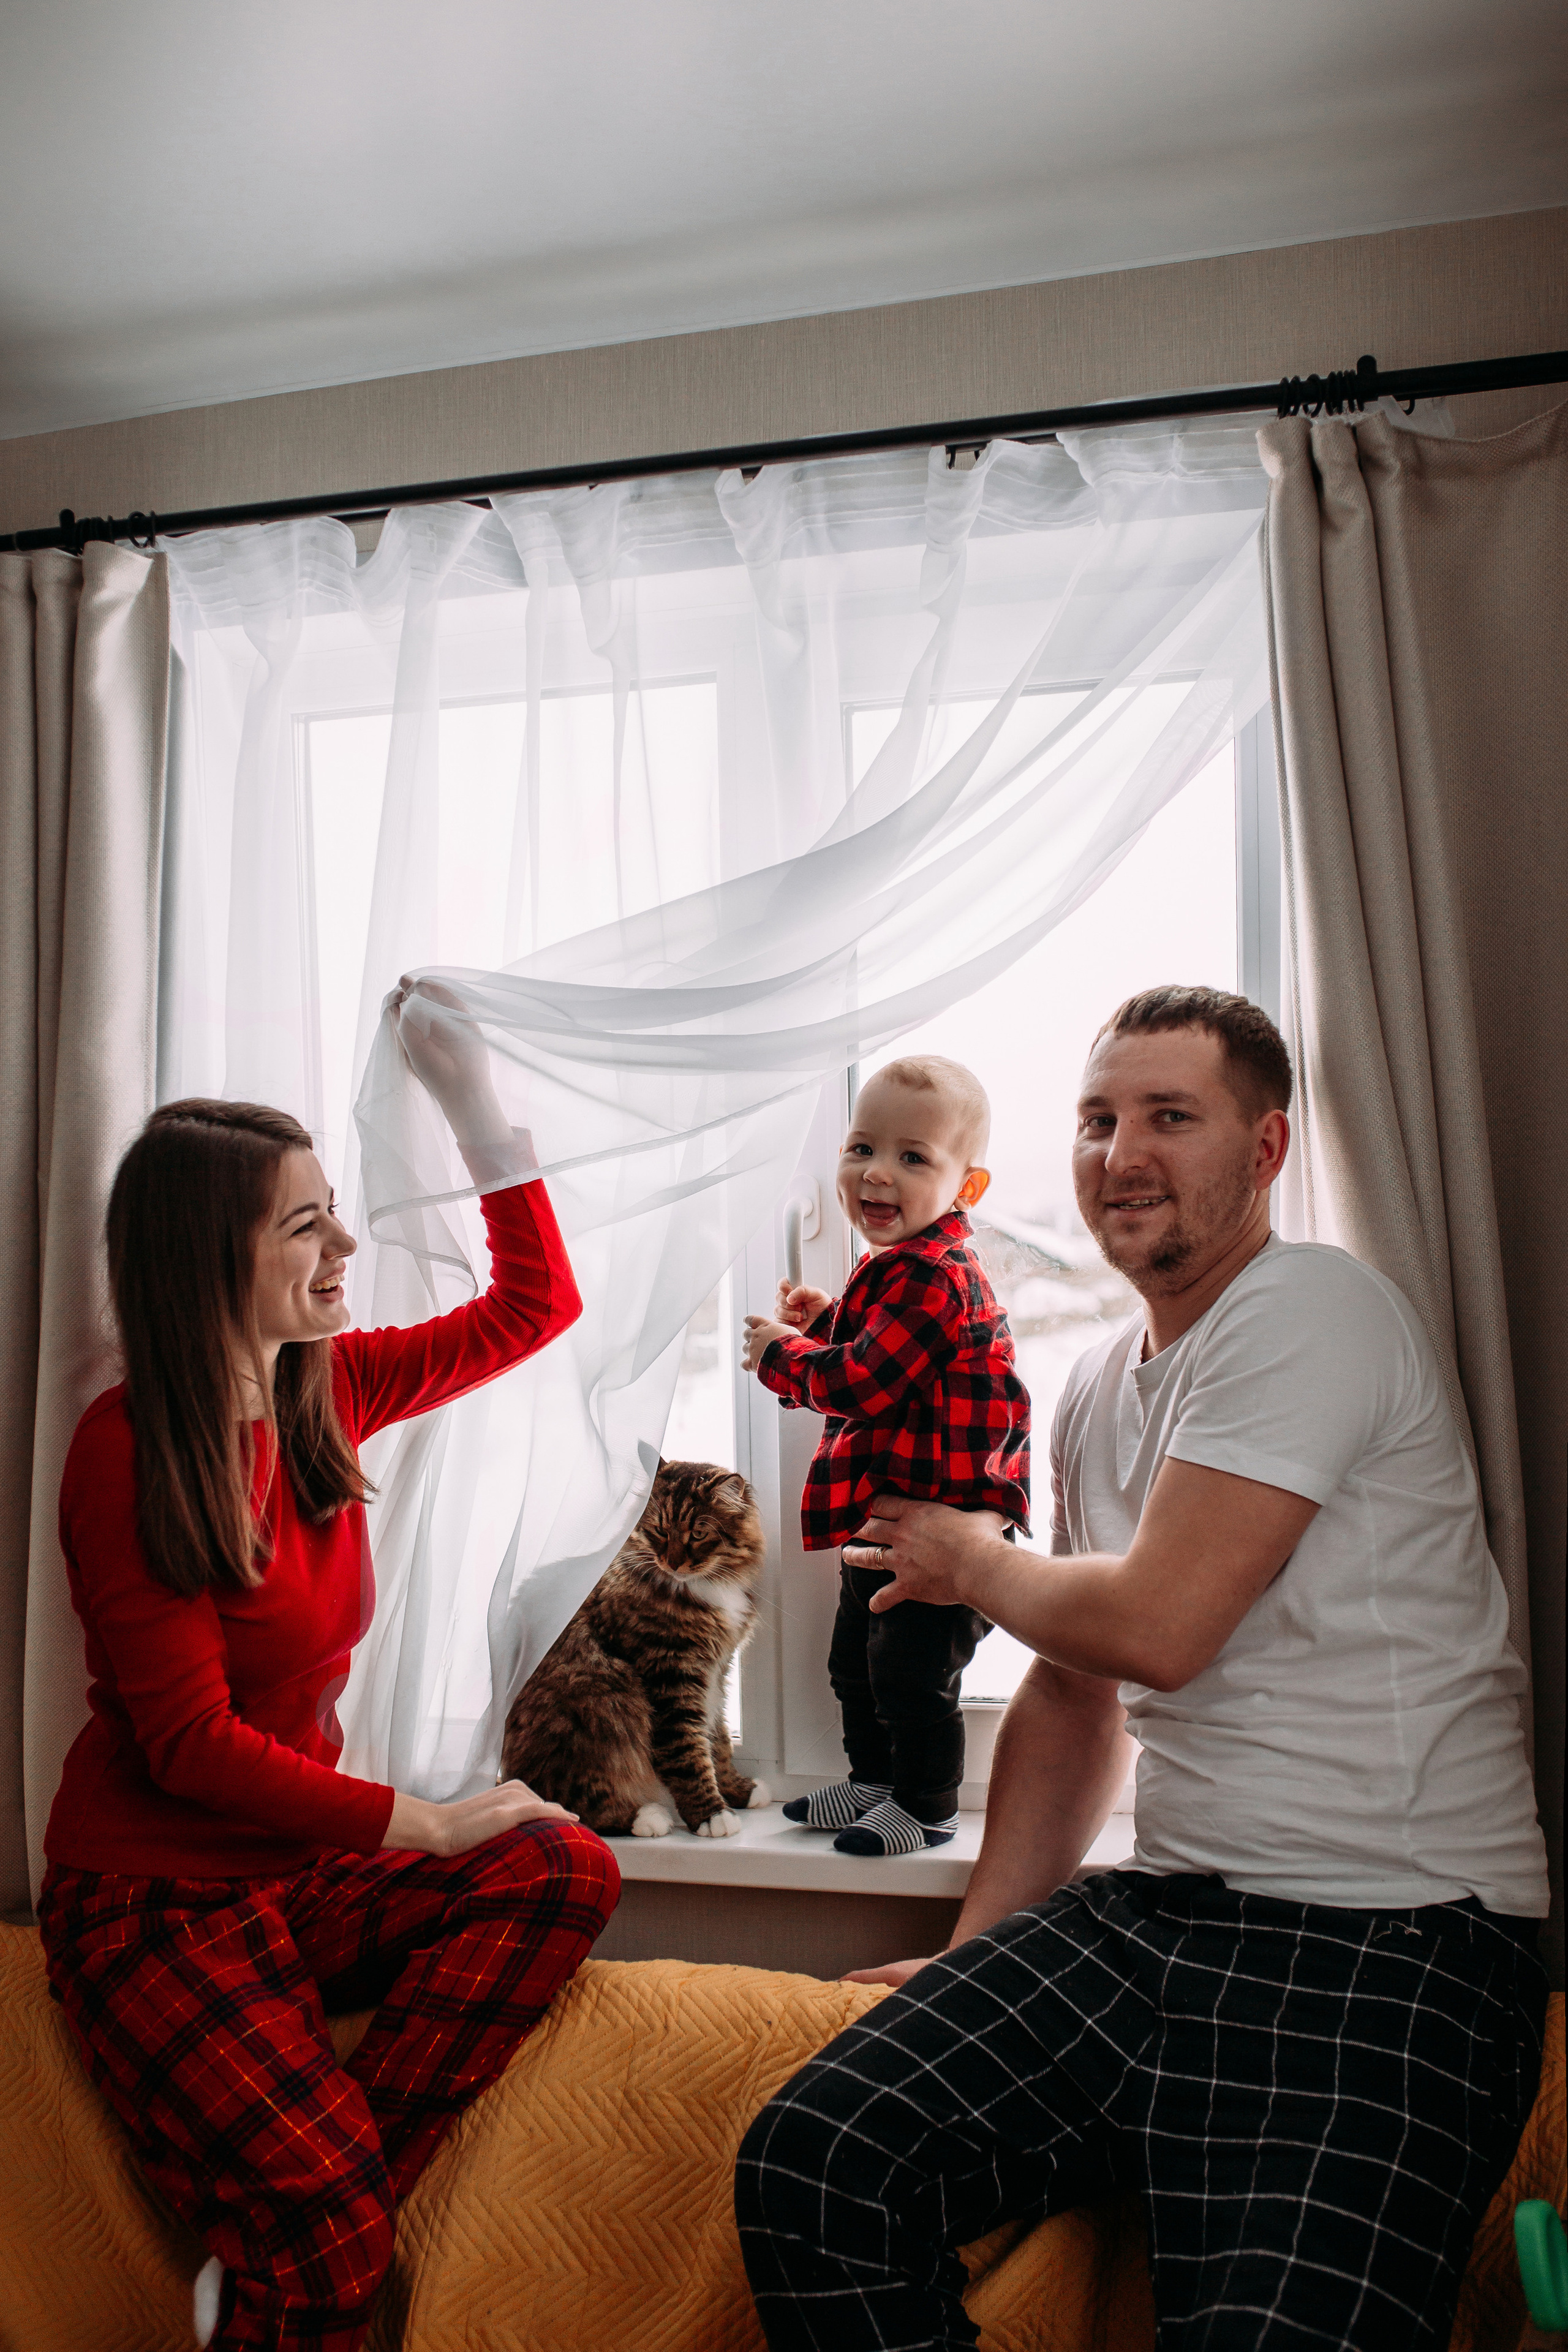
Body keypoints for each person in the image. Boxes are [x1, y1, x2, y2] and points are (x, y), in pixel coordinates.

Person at [736, 986, 1548, 2350]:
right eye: (1097, 1120)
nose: (1121, 1154)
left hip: (1392, 1942)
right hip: (1163, 1915)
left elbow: (1156, 1625)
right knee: (816, 2163)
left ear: (1265, 1148)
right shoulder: (1103, 1383)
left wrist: (971, 1559)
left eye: (1169, 1117)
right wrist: (972, 1953)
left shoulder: (1309, 1309)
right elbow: (1073, 1686)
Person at [36, 985, 620, 2352]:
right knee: (339, 2259)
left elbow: (538, 1304)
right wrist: (421, 1817)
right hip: (153, 1912)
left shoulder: (330, 1387)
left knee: (559, 1864)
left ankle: (284, 2219)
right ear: (208, 1258)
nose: (346, 1244)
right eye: (306, 1224)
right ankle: (302, 2228)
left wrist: (474, 1109)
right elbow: (187, 1747)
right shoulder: (127, 1449)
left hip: (289, 1882)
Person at [741, 1057, 1028, 1858]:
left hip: (948, 1532)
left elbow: (868, 1382)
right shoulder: (898, 1269)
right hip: (894, 1522)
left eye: (912, 1157)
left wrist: (782, 1355)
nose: (876, 1173)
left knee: (911, 1677)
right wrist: (829, 1319)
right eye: (861, 1146)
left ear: (966, 1189)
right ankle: (873, 1784)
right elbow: (888, 1356)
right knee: (855, 1667)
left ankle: (927, 1805)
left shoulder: (936, 1278)